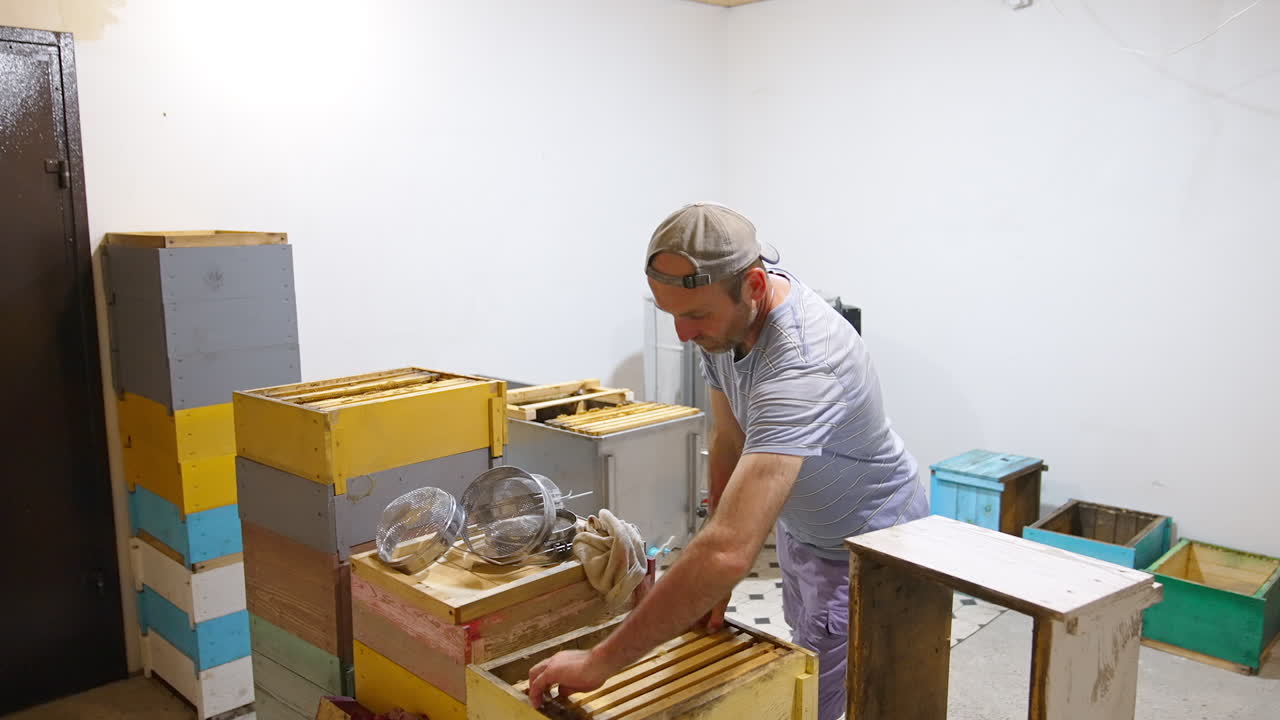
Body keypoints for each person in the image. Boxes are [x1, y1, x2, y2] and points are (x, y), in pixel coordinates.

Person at [527, 202, 927, 720]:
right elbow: (729, 439)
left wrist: (600, 662)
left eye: (694, 315)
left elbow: (730, 549)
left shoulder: (802, 365)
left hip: (871, 543)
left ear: (756, 287)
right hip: (805, 530)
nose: (683, 334)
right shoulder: (729, 318)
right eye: (670, 313)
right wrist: (718, 580)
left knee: (839, 699)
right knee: (809, 647)